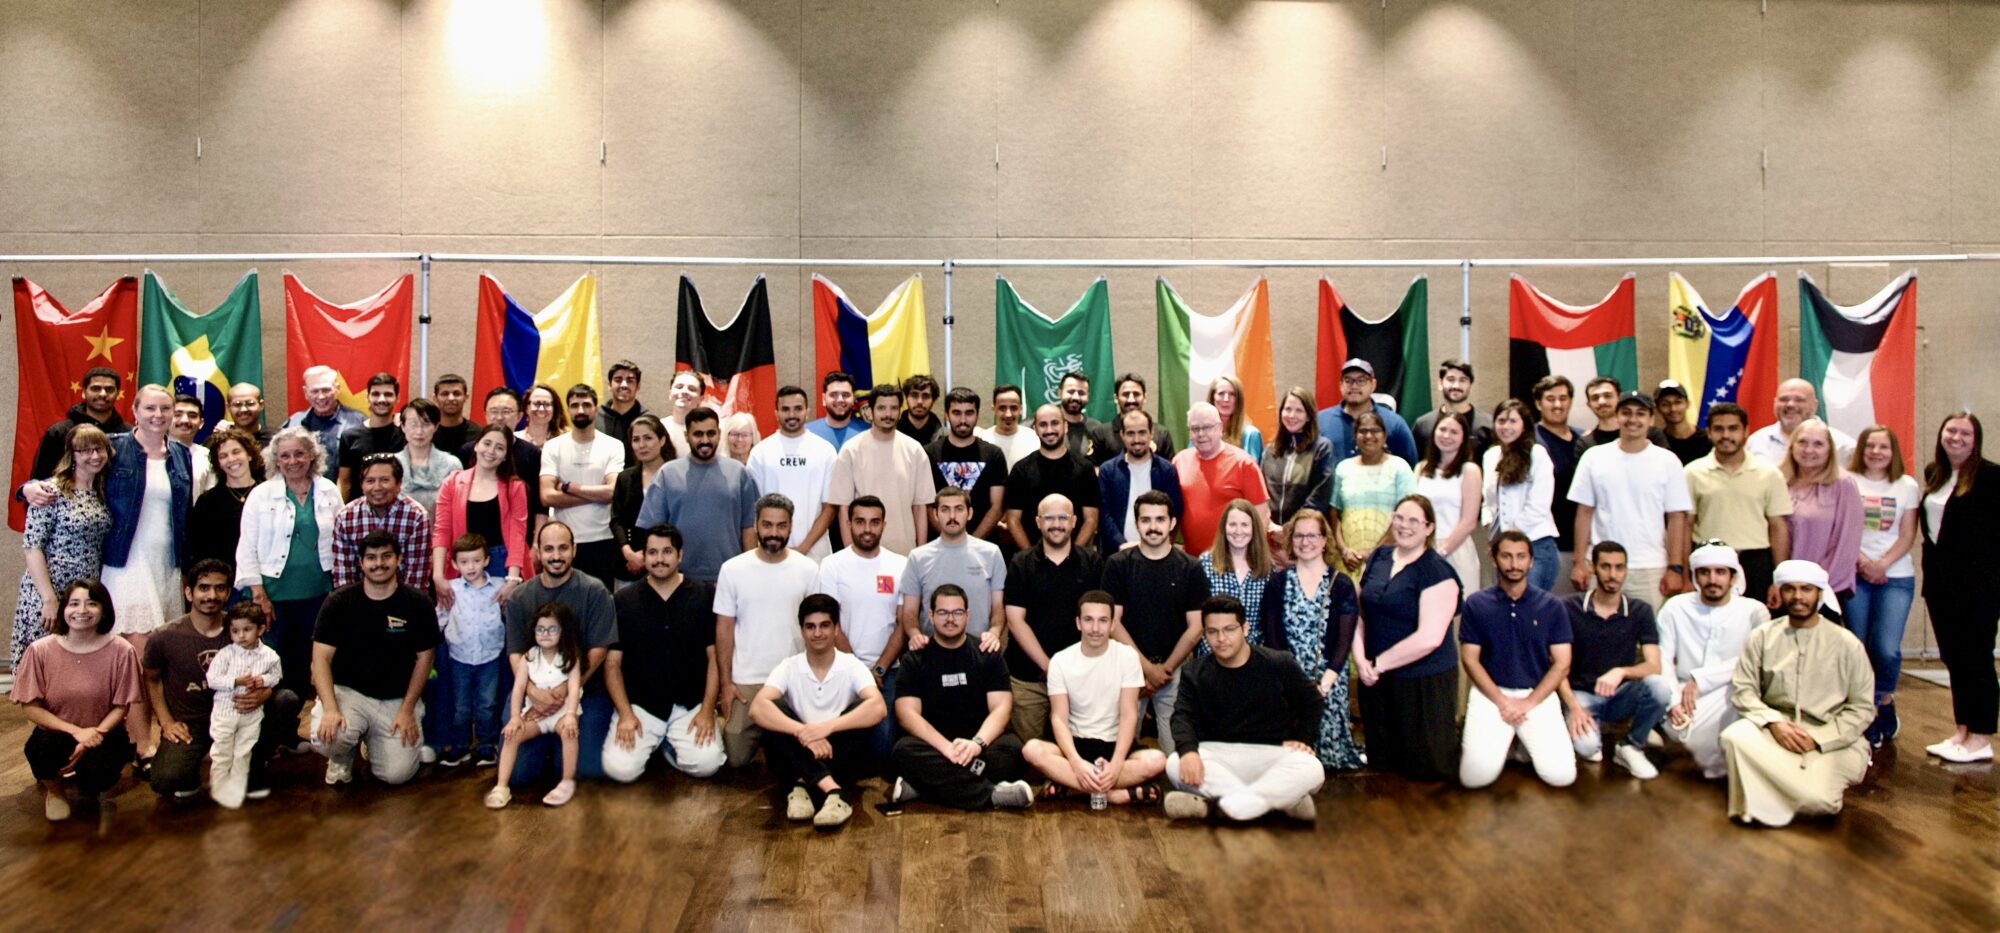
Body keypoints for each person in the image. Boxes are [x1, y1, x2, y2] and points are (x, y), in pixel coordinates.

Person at [37, 384, 199, 765]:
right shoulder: (113, 447)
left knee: (158, 659)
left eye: (165, 409)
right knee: (138, 659)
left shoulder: (180, 454)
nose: (158, 416)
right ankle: (143, 744)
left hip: (167, 567)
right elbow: (62, 477)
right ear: (136, 410)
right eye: (150, 409)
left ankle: (152, 737)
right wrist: (28, 489)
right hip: (125, 564)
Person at [1722, 560, 1875, 827]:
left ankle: (1772, 796)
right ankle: (1774, 797)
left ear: (1819, 593)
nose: (1798, 597)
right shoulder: (1763, 636)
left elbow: (1862, 708)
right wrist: (1773, 722)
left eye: (1806, 589)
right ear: (1781, 594)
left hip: (1832, 737)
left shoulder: (1847, 644)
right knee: (1734, 736)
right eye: (1790, 589)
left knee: (1820, 803)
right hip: (1776, 731)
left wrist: (1817, 739)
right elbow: (1743, 690)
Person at [144, 561, 300, 803]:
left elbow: (269, 669)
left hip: (239, 713)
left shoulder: (241, 627)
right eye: (203, 588)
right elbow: (151, 680)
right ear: (188, 592)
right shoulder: (165, 636)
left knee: (285, 700)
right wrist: (166, 722)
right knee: (166, 779)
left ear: (228, 593)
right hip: (192, 723)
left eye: (219, 588)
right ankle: (192, 771)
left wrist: (265, 693)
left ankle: (254, 763)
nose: (211, 595)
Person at [1162, 595, 1325, 823]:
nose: (1221, 639)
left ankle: (1213, 809)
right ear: (1205, 634)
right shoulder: (1194, 672)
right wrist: (1188, 751)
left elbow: (1313, 701)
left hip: (1272, 754)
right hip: (1220, 754)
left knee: (1312, 768)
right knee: (1175, 763)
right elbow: (1182, 716)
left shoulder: (1278, 663)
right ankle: (1275, 807)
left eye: (1229, 629)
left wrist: (1303, 738)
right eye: (1212, 632)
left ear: (1245, 628)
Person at [888, 585, 1035, 810]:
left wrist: (976, 745)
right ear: (931, 615)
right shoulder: (915, 659)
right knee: (903, 751)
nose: (950, 619)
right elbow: (907, 715)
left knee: (1013, 750)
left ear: (967, 615)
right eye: (943, 613)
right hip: (935, 744)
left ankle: (924, 787)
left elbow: (1001, 709)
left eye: (957, 613)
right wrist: (946, 748)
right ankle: (992, 795)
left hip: (977, 743)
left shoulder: (988, 654)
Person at [602, 523, 729, 783]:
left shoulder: (704, 595)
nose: (659, 559)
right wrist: (625, 714)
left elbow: (714, 658)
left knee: (707, 765)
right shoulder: (624, 600)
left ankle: (669, 746)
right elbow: (613, 665)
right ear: (644, 556)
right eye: (652, 553)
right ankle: (654, 741)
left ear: (680, 555)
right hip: (641, 706)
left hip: (689, 704)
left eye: (667, 552)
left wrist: (706, 711)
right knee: (620, 771)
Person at [310, 531, 439, 786]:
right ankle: (341, 756)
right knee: (328, 736)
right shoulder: (339, 602)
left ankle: (373, 740)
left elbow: (425, 660)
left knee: (396, 775)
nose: (378, 563)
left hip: (395, 699)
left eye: (386, 556)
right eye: (371, 558)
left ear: (399, 559)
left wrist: (407, 710)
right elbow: (320, 660)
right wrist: (331, 709)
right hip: (349, 693)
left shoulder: (418, 603)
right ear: (361, 563)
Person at [494, 523, 618, 788]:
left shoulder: (595, 592)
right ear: (537, 553)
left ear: (574, 550)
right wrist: (533, 691)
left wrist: (566, 690)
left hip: (583, 692)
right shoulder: (520, 598)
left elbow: (599, 650)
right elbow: (515, 653)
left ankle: (555, 744)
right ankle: (545, 742)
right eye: (548, 549)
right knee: (516, 775)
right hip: (532, 693)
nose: (556, 556)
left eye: (563, 548)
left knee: (583, 770)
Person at [750, 594, 887, 829]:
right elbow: (757, 708)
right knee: (773, 712)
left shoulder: (851, 664)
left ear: (836, 629)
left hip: (837, 753)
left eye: (825, 626)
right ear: (802, 630)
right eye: (810, 627)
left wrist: (825, 728)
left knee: (861, 710)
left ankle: (802, 786)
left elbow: (878, 707)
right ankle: (833, 791)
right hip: (798, 749)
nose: (817, 633)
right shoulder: (790, 666)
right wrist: (804, 732)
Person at [1354, 495, 1463, 781]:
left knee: (1425, 770)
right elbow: (1357, 612)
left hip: (1422, 681)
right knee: (1383, 764)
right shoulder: (1379, 557)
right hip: (1376, 680)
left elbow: (1429, 638)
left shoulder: (1438, 572)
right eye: (1399, 518)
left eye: (1414, 520)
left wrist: (1378, 664)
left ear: (1429, 528)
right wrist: (1360, 659)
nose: (1404, 526)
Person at [1022, 591, 1166, 805]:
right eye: (1088, 620)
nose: (1095, 629)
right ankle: (1119, 794)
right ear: (1078, 623)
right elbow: (1059, 718)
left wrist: (1116, 764)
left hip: (1115, 743)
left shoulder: (1128, 657)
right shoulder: (1061, 661)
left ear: (1112, 625)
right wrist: (1077, 763)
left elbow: (1129, 715)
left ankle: (1074, 789)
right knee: (1032, 750)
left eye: (1103, 621)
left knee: (1157, 760)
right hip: (1075, 744)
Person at [1457, 532, 1576, 789]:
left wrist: (1527, 703)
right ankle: (1508, 738)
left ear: (1531, 561)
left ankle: (1521, 742)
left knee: (1562, 776)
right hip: (1491, 695)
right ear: (1494, 558)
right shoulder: (1476, 604)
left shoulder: (1552, 606)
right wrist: (1502, 701)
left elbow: (1562, 663)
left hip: (1537, 695)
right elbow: (1470, 660)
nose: (1514, 564)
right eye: (1507, 556)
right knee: (1474, 779)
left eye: (1521, 557)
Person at [13, 579, 139, 822]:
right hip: (56, 731)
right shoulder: (40, 650)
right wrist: (76, 732)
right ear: (63, 610)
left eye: (92, 603)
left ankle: (88, 787)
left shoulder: (122, 650)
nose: (82, 611)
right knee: (40, 751)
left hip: (103, 732)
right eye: (74, 604)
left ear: (104, 611)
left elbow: (122, 706)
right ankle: (55, 792)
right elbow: (30, 707)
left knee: (99, 772)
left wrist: (93, 734)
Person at [714, 494, 822, 768]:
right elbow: (724, 630)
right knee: (736, 758)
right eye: (767, 525)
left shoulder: (808, 569)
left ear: (790, 526)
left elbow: (819, 629)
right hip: (746, 681)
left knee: (804, 754)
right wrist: (726, 685)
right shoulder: (732, 570)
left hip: (793, 680)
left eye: (781, 526)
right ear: (756, 525)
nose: (774, 533)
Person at [237, 427, 341, 705]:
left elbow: (341, 541)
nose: (293, 461)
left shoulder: (329, 490)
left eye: (299, 453)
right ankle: (267, 735)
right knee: (270, 664)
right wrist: (258, 594)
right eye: (285, 455)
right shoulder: (261, 494)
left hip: (317, 595)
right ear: (276, 460)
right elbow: (246, 546)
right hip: (272, 596)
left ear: (312, 456)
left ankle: (291, 731)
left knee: (303, 662)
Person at [1917, 411, 1999, 763]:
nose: (1957, 438)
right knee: (1954, 658)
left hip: (1978, 586)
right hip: (1940, 584)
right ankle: (1962, 730)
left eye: (1965, 433)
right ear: (1941, 434)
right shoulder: (1936, 475)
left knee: (1976, 657)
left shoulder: (1991, 476)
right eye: (1951, 430)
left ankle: (1981, 736)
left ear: (1976, 439)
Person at [1103, 490, 1209, 755]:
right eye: (1146, 520)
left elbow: (1196, 627)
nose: (1153, 527)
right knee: (1121, 752)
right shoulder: (1118, 565)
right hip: (1127, 670)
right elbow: (1113, 623)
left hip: (1174, 673)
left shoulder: (1191, 567)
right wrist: (1147, 668)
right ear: (1136, 523)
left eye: (1160, 520)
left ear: (1172, 523)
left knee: (1178, 754)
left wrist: (1165, 670)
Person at [1259, 509, 1363, 769]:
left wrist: (1323, 687)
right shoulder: (1278, 583)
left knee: (1327, 763)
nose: (1306, 542)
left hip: (1328, 681)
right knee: (1289, 762)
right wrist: (1294, 687)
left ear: (1325, 540)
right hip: (1289, 684)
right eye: (1299, 536)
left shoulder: (1341, 585)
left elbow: (1343, 642)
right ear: (1291, 540)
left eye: (1313, 535)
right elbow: (1271, 638)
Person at [1568, 391, 1693, 609]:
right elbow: (1584, 513)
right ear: (1617, 417)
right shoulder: (1593, 457)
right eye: (1626, 413)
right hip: (1601, 564)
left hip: (1651, 567)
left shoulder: (1668, 461)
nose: (1633, 419)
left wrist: (1675, 568)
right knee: (1599, 635)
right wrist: (1579, 563)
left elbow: (1676, 518)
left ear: (1651, 420)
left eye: (1640, 413)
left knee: (1648, 637)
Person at [1656, 543, 1770, 779]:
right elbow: (1662, 658)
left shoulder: (1754, 611)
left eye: (1720, 572)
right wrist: (1673, 701)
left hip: (1730, 689)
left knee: (1740, 695)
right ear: (1696, 576)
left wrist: (1703, 679)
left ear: (1732, 577)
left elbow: (1754, 661)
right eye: (1705, 572)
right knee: (1665, 706)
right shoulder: (1676, 607)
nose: (1712, 579)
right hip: (1681, 690)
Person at [1560, 541, 1670, 779]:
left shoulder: (1640, 610)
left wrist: (1621, 671)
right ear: (1593, 568)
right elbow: (1557, 667)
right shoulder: (1569, 608)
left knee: (1660, 687)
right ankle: (1590, 729)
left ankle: (1631, 745)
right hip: (1582, 695)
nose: (1613, 575)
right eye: (1606, 567)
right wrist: (1574, 707)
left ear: (1626, 570)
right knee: (1588, 749)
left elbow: (1654, 665)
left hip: (1620, 695)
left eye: (1619, 568)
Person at [812, 497, 911, 763]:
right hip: (842, 670)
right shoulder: (832, 565)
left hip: (888, 672)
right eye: (860, 522)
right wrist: (859, 671)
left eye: (874, 522)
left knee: (883, 752)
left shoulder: (900, 565)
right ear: (848, 524)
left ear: (884, 525)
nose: (867, 529)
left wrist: (878, 669)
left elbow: (904, 623)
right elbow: (830, 624)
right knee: (839, 748)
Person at [1002, 494, 1104, 742]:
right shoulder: (1020, 563)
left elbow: (1099, 622)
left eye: (1062, 518)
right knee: (1029, 752)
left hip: (1080, 677)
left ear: (1074, 521)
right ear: (1037, 522)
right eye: (1049, 518)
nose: (1056, 524)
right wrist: (1051, 668)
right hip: (1029, 678)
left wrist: (1068, 673)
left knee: (1081, 745)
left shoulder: (1092, 563)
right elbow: (1015, 621)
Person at [13, 423, 112, 671]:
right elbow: (32, 547)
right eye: (85, 450)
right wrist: (48, 599)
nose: (94, 456)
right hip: (51, 587)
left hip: (85, 591)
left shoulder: (103, 491)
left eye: (99, 449)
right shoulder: (50, 491)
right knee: (45, 664)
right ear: (72, 455)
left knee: (75, 667)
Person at [1846, 425, 1919, 746]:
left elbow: (1907, 535)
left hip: (1895, 576)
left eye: (1883, 447)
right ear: (1861, 450)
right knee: (1858, 646)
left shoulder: (1907, 486)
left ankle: (1883, 702)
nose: (1876, 452)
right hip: (1854, 574)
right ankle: (1865, 711)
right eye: (1870, 446)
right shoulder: (1848, 482)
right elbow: (1844, 530)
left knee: (1886, 648)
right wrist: (1863, 562)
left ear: (1894, 452)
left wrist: (1882, 564)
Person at [1683, 402, 1792, 603]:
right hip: (1709, 562)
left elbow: (1778, 527)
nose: (1726, 435)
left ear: (1746, 432)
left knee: (1756, 626)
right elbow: (1686, 526)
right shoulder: (1692, 473)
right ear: (1709, 432)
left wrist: (1778, 578)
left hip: (1756, 563)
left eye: (1733, 428)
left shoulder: (1769, 474)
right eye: (1719, 429)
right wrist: (1684, 575)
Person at [636, 407, 758, 583]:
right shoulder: (668, 474)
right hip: (679, 579)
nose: (705, 440)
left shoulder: (739, 473)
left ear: (719, 434)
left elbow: (748, 528)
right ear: (687, 436)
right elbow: (654, 531)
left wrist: (751, 571)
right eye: (698, 434)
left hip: (729, 577)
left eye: (711, 433)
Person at [486, 603, 584, 808]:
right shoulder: (528, 657)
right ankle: (502, 786)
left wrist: (571, 714)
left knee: (569, 732)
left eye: (552, 629)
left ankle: (566, 782)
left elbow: (574, 688)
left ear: (562, 631)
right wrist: (515, 717)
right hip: (536, 716)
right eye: (540, 629)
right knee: (512, 734)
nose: (545, 634)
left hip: (561, 715)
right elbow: (519, 689)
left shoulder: (570, 658)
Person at [827, 385, 935, 555]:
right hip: (862, 552)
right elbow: (844, 508)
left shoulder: (915, 450)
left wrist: (919, 553)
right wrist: (850, 553)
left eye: (893, 408)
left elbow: (920, 507)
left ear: (900, 411)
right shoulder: (851, 450)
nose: (888, 414)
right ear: (870, 412)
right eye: (881, 408)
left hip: (904, 552)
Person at [433, 424, 530, 606]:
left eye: (499, 447)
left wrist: (513, 578)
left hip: (502, 563)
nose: (491, 451)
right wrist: (438, 575)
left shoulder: (515, 487)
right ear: (476, 445)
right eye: (487, 443)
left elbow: (518, 534)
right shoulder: (452, 482)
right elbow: (442, 531)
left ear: (505, 456)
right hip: (461, 562)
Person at [539, 384, 626, 587]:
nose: (580, 410)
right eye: (575, 405)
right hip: (564, 542)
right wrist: (596, 493)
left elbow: (613, 492)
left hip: (602, 540)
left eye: (586, 405)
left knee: (599, 604)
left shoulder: (613, 445)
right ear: (567, 409)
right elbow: (547, 497)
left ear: (596, 408)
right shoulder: (553, 446)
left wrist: (569, 487)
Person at [900, 487, 1007, 650]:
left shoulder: (991, 553)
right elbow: (909, 611)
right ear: (935, 514)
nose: (952, 517)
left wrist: (994, 632)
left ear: (969, 513)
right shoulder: (918, 557)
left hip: (980, 650)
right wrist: (915, 635)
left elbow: (999, 607)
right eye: (945, 510)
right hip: (931, 651)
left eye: (959, 509)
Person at [436, 534, 507, 768]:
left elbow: (510, 616)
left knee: (487, 703)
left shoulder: (499, 587)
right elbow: (440, 619)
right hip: (460, 657)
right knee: (461, 706)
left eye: (476, 561)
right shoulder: (451, 590)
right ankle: (461, 746)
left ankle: (487, 746)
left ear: (486, 560)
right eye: (464, 562)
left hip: (490, 657)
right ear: (455, 564)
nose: (471, 567)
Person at [203, 602, 282, 808]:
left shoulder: (270, 655)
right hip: (225, 713)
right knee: (222, 751)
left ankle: (237, 789)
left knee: (243, 751)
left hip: (252, 714)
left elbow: (276, 675)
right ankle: (219, 788)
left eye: (247, 630)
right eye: (235, 631)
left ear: (260, 629)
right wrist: (235, 681)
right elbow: (212, 679)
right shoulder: (226, 654)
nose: (241, 636)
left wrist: (262, 681)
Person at [747, 386, 839, 558]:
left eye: (798, 408)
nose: (791, 415)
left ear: (807, 411)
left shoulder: (825, 450)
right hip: (771, 553)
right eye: (785, 409)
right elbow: (752, 510)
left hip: (815, 554)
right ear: (776, 413)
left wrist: (804, 547)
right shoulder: (760, 452)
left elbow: (830, 507)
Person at [1782, 418, 1863, 611]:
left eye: (1818, 444)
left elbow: (1847, 544)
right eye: (1802, 442)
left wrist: (1814, 586)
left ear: (1829, 450)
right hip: (1783, 587)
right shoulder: (1778, 480)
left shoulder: (1843, 484)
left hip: (1824, 589)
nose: (1809, 450)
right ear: (1792, 446)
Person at [1483, 399, 1560, 591]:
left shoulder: (1537, 454)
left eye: (1512, 421)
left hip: (1536, 543)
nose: (1506, 427)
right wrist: (1490, 528)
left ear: (1524, 425)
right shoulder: (1491, 455)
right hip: (1502, 547)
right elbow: (1489, 500)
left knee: (1531, 606)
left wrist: (1510, 535)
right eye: (1501, 421)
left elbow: (1539, 505)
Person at [1003, 404, 1102, 551]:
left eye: (1055, 423)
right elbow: (1013, 520)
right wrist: (1030, 557)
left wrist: (1071, 557)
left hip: (1074, 563)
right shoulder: (1021, 470)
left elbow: (1091, 520)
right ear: (1035, 429)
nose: (1049, 430)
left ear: (1065, 426)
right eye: (1043, 424)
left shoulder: (1085, 469)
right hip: (1032, 563)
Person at [1176, 402, 1270, 556]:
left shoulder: (1244, 464)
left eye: (1207, 427)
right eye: (1195, 429)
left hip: (1233, 562)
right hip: (1192, 563)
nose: (1200, 434)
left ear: (1220, 428)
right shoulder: (1179, 461)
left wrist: (1250, 558)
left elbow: (1262, 516)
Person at [1330, 410, 1414, 580]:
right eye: (1362, 431)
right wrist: (1344, 550)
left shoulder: (1400, 467)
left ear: (1384, 436)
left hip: (1389, 559)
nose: (1369, 436)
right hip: (1348, 561)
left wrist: (1374, 554)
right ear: (1355, 436)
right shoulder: (1343, 468)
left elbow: (1406, 516)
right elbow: (1334, 514)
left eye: (1375, 430)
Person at [332, 455, 432, 593]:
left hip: (403, 600)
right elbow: (344, 575)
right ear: (361, 485)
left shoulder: (416, 516)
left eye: (385, 480)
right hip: (358, 602)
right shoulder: (345, 517)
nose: (377, 487)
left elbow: (416, 578)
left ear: (398, 484)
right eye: (370, 481)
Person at [925, 387, 1010, 546]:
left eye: (969, 413)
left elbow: (997, 507)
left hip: (982, 547)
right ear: (946, 415)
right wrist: (949, 539)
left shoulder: (993, 454)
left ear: (977, 414)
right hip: (940, 546)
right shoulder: (929, 454)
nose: (963, 420)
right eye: (956, 413)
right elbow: (927, 506)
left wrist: (971, 543)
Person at [1099, 407, 1183, 553]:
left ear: (1151, 434)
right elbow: (1104, 513)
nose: (1136, 439)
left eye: (1142, 433)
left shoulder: (1167, 470)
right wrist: (1121, 545)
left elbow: (1175, 511)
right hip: (1117, 554)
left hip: (1157, 553)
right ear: (1122, 435)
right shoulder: (1108, 471)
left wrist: (1160, 543)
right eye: (1130, 433)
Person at [457, 388, 544, 529]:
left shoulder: (532, 453)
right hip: (472, 537)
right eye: (494, 411)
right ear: (485, 414)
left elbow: (539, 504)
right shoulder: (468, 451)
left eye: (506, 412)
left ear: (519, 416)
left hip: (518, 534)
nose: (499, 417)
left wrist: (536, 543)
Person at [1415, 410, 1484, 588]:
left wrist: (1441, 552)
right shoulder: (1421, 469)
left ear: (1463, 438)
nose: (1446, 436)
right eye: (1442, 429)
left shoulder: (1470, 470)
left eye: (1454, 432)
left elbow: (1469, 521)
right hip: (1422, 550)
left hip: (1456, 549)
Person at [27, 366, 127, 482]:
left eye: (109, 389)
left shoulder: (128, 434)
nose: (103, 394)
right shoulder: (59, 432)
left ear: (117, 394)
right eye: (95, 388)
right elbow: (39, 480)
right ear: (84, 392)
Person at [1531, 375, 1584, 593]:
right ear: (1538, 403)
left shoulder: (1584, 439)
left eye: (1563, 398)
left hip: (1581, 544)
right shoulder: (1530, 440)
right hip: (1546, 545)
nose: (1557, 404)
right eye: (1550, 399)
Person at [1201, 499, 1271, 654]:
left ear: (1254, 529)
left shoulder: (1267, 568)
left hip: (1254, 656)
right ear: (1224, 528)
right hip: (1213, 653)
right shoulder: (1206, 563)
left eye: (1245, 525)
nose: (1238, 531)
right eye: (1232, 524)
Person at [611, 414, 676, 583]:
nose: (642, 445)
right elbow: (616, 520)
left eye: (648, 438)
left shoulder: (676, 475)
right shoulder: (625, 478)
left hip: (669, 561)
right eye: (636, 439)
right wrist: (629, 553)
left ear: (662, 440)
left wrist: (651, 554)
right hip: (630, 563)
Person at [1262, 387, 1336, 531]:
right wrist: (1269, 524)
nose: (1292, 415)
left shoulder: (1322, 448)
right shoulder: (1270, 451)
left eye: (1299, 410)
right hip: (1271, 533)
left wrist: (1290, 529)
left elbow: (1319, 498)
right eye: (1287, 409)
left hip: (1305, 534)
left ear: (1309, 416)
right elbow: (1262, 493)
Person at [1317, 358, 1419, 463]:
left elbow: (1410, 466)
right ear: (1340, 385)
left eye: (1361, 380)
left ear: (1373, 384)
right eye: (1348, 380)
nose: (1354, 386)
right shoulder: (1320, 421)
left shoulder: (1394, 423)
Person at [189, 428, 264, 569]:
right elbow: (200, 550)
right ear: (218, 463)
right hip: (226, 582)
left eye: (236, 452)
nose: (231, 459)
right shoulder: (208, 502)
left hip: (269, 578)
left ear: (249, 454)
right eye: (223, 456)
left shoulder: (270, 493)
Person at [1747, 378, 1857, 466]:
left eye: (1799, 400)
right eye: (1784, 399)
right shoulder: (1756, 441)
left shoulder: (1842, 445)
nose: (1790, 405)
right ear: (1775, 403)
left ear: (1814, 405)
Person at [283, 364, 365, 481]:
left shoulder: (358, 422)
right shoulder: (293, 423)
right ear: (306, 393)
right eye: (315, 391)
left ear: (337, 389)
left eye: (326, 390)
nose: (321, 397)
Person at [335, 373, 405, 502]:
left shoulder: (405, 437)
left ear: (397, 398)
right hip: (359, 515)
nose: (381, 399)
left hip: (398, 514)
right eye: (376, 394)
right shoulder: (349, 437)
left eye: (388, 394)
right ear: (368, 397)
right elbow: (344, 482)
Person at [393, 398, 462, 518]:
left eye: (426, 424)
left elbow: (458, 509)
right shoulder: (391, 463)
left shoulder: (452, 464)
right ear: (403, 426)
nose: (419, 431)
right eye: (413, 424)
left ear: (436, 427)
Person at [1413, 360, 1494, 459]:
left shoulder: (1488, 424)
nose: (1456, 386)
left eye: (1463, 380)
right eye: (1451, 379)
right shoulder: (1423, 424)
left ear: (1470, 385)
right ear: (1440, 383)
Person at [975, 383, 1040, 468]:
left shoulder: (1035, 439)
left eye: (1013, 408)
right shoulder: (982, 440)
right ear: (993, 409)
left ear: (1021, 409)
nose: (1008, 414)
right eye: (1002, 408)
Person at [1111, 373, 1176, 457]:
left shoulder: (1162, 434)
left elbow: (1169, 467)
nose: (1131, 400)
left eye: (1136, 394)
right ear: (1116, 398)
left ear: (1144, 397)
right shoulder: (1101, 434)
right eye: (1126, 394)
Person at [1057, 371, 1115, 465]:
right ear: (1059, 393)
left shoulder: (1097, 428)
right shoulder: (1047, 427)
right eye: (1071, 392)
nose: (1075, 397)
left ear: (1088, 396)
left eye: (1081, 393)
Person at [596, 360, 648, 460]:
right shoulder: (595, 417)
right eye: (618, 380)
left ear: (638, 386)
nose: (624, 385)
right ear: (609, 385)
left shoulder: (647, 419)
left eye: (630, 380)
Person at [805, 370, 868, 452]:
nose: (840, 399)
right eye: (833, 395)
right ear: (824, 399)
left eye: (845, 395)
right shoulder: (807, 433)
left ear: (854, 399)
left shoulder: (869, 433)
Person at [1653, 380, 1712, 464]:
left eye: (1678, 402)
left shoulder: (1707, 440)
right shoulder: (1658, 443)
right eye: (1665, 404)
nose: (1673, 409)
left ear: (1687, 404)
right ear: (1657, 408)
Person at [1207, 374, 1264, 461]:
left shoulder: (1251, 435)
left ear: (1238, 400)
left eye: (1232, 394)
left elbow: (1252, 471)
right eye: (1221, 393)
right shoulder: (1201, 432)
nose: (1226, 399)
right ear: (1212, 399)